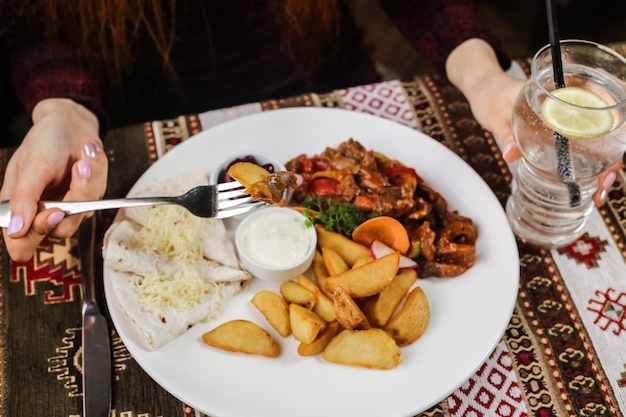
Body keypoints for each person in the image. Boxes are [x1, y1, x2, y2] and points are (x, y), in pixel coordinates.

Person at [0, 0, 614, 262]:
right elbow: (36, 19)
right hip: (139, 117)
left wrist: (482, 77)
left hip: (328, 78)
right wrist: (64, 111)